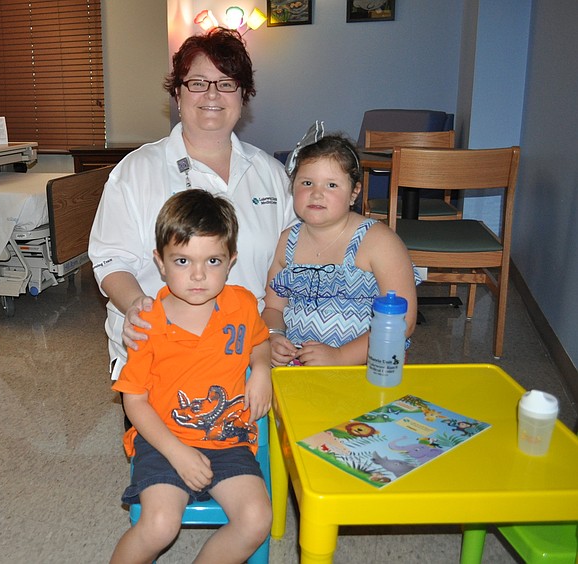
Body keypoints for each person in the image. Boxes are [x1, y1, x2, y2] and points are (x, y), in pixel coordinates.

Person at [88, 27, 296, 384]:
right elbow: (110, 259)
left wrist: (274, 331)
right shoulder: (135, 172)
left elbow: (292, 263)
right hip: (162, 355)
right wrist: (139, 306)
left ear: (243, 94)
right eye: (197, 82)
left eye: (226, 83)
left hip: (248, 357)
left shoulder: (272, 176)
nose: (212, 94)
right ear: (178, 95)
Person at [110, 190, 272, 564]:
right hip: (163, 440)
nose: (198, 275)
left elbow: (259, 341)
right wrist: (177, 453)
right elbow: (133, 400)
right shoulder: (147, 321)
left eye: (212, 260)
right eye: (183, 260)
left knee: (256, 519)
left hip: (227, 440)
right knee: (160, 525)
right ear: (161, 263)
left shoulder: (243, 304)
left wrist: (261, 368)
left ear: (231, 261)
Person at [262, 132, 420, 367]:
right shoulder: (287, 242)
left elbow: (403, 322)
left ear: (353, 193)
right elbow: (274, 306)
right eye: (307, 183)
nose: (316, 193)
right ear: (292, 187)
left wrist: (340, 356)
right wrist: (274, 336)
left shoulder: (378, 241)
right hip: (299, 366)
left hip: (369, 365)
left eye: (332, 185)